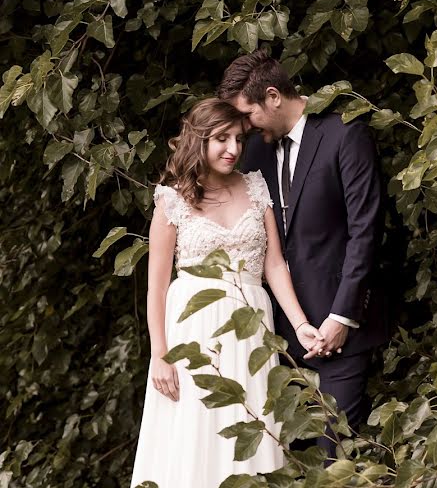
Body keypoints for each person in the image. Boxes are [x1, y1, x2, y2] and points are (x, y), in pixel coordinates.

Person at [130, 98, 324, 488]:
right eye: (221, 138)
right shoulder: (171, 200)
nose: (233, 149)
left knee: (249, 429)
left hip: (251, 333)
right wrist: (160, 356)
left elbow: (273, 265)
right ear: (199, 139)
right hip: (193, 335)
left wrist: (301, 324)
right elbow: (157, 286)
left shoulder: (255, 186)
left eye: (238, 138)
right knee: (195, 436)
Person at [218, 51, 388, 460]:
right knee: (286, 464)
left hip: (341, 336)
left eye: (248, 114)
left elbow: (366, 231)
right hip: (276, 342)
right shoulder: (254, 153)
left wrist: (342, 317)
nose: (243, 128)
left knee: (335, 460)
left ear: (273, 96)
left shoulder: (345, 134)